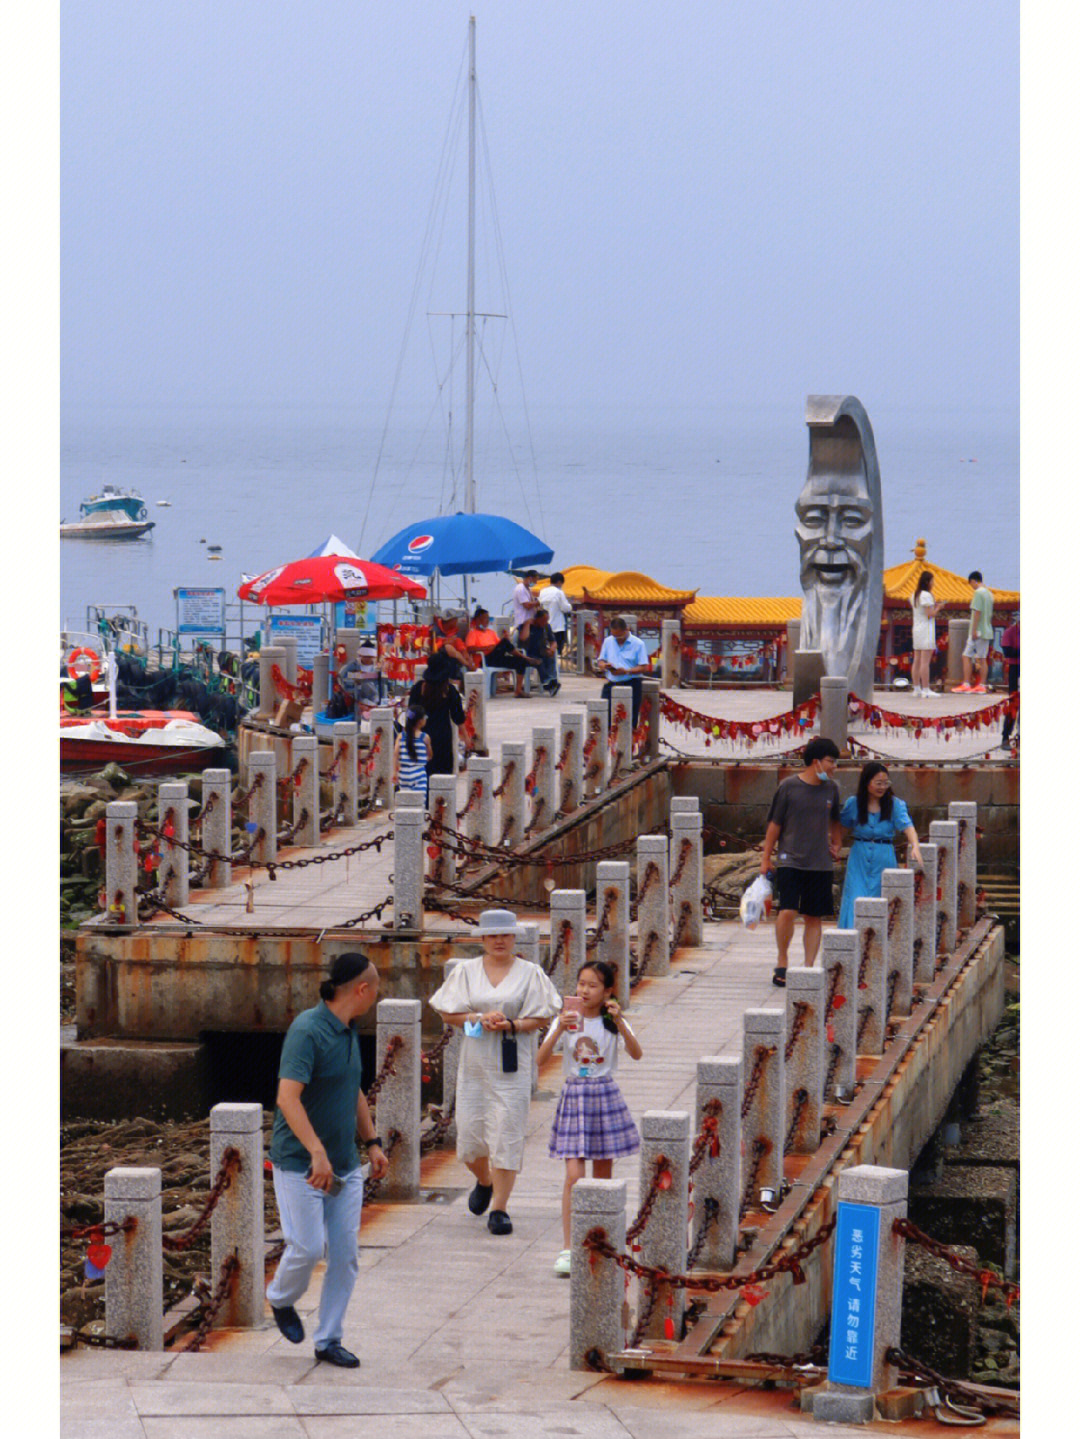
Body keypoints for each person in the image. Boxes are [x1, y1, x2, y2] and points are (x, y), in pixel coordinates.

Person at [265, 952, 387, 1368]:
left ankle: (329, 1338)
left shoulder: (350, 1030)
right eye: (376, 988)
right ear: (361, 989)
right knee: (307, 1246)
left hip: (345, 1166)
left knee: (345, 1253)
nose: (376, 996)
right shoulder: (307, 1031)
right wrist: (316, 1152)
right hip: (300, 1163)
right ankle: (281, 1299)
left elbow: (352, 1089)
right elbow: (286, 1098)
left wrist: (371, 1141)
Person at [428, 908, 561, 1235]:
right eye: (493, 935)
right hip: (474, 1065)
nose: (499, 940)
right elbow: (448, 1013)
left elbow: (542, 1017)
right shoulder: (466, 971)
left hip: (512, 1065)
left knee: (507, 1135)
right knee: (470, 1137)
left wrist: (510, 1024)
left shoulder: (530, 973)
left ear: (514, 937)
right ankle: (484, 1181)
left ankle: (500, 1207)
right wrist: (477, 1018)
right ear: (484, 939)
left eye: (505, 934)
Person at [537, 960, 642, 1277]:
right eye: (581, 983)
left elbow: (637, 1052)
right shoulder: (568, 1019)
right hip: (575, 1095)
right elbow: (540, 1060)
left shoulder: (611, 1021)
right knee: (573, 1174)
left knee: (602, 1175)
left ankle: (602, 1240)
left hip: (604, 1094)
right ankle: (569, 1248)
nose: (584, 990)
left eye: (592, 985)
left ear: (608, 991)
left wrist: (620, 1021)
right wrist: (557, 1028)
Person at [759, 737, 842, 987]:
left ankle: (808, 967)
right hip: (790, 859)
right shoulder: (788, 787)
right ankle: (782, 960)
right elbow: (775, 824)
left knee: (814, 916)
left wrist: (836, 843)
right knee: (787, 910)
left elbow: (835, 820)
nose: (834, 767)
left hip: (820, 862)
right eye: (831, 761)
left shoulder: (832, 789)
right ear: (816, 761)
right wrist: (766, 857)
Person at [837, 763, 924, 928]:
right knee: (855, 897)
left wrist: (915, 845)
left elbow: (907, 826)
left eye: (886, 783)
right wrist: (835, 844)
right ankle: (851, 936)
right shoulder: (854, 803)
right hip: (859, 858)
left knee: (882, 898)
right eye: (878, 783)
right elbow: (841, 827)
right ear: (867, 782)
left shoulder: (895, 804)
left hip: (883, 856)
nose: (882, 787)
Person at [408, 651, 465, 781]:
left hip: (421, 736)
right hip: (443, 737)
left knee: (423, 774)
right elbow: (458, 717)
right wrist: (467, 738)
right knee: (443, 776)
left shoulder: (418, 688)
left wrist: (409, 732)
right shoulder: (450, 691)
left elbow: (410, 713)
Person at [594, 616, 652, 725]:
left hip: (631, 683)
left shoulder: (638, 644)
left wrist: (627, 671)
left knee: (629, 718)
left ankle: (629, 740)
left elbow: (644, 667)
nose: (617, 639)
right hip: (612, 682)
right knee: (605, 717)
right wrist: (605, 666)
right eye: (614, 636)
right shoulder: (608, 641)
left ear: (627, 630)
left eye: (620, 636)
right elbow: (600, 660)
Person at [953, 571, 994, 693]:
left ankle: (966, 683)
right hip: (987, 629)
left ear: (973, 581)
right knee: (982, 658)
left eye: (971, 584)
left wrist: (974, 629)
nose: (972, 587)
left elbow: (977, 612)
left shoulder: (978, 593)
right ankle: (982, 685)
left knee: (966, 656)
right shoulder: (989, 593)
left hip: (978, 630)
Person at [909, 570, 942, 698]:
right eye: (932, 581)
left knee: (916, 660)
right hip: (926, 630)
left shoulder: (914, 595)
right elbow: (930, 614)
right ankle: (926, 689)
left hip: (916, 629)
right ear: (928, 582)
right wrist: (938, 608)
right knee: (924, 662)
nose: (933, 583)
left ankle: (916, 688)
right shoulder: (926, 595)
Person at [393, 703, 431, 798]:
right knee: (418, 802)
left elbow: (395, 755)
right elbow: (429, 755)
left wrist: (394, 772)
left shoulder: (401, 736)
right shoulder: (424, 737)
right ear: (420, 721)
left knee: (405, 802)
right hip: (419, 773)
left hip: (403, 774)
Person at [537, 573, 573, 659]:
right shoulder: (559, 592)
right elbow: (565, 607)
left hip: (544, 625)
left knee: (544, 650)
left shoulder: (542, 592)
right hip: (557, 626)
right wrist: (570, 605)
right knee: (557, 651)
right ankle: (556, 669)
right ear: (559, 582)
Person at [524, 609, 559, 694]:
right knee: (539, 661)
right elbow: (523, 638)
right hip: (529, 653)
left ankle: (552, 681)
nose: (545, 622)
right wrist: (527, 624)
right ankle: (549, 683)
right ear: (536, 619)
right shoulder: (529, 626)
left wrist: (552, 649)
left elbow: (553, 641)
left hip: (541, 652)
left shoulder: (546, 626)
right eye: (543, 620)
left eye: (547, 620)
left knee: (550, 657)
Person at [431, 609, 473, 679]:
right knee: (448, 647)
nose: (457, 621)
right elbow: (432, 647)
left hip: (453, 658)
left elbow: (459, 642)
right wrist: (444, 642)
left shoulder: (455, 630)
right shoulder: (434, 630)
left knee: (456, 656)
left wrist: (464, 652)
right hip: (438, 656)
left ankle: (467, 666)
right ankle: (467, 664)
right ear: (451, 621)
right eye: (455, 619)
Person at [1000, 618, 1019, 750]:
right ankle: (1005, 737)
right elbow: (1008, 652)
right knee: (1013, 705)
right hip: (1015, 669)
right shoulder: (1010, 632)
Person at [511, 570, 540, 642]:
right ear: (530, 578)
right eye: (535, 580)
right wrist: (539, 602)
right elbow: (527, 605)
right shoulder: (521, 589)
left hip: (530, 622)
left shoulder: (528, 589)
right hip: (523, 622)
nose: (535, 583)